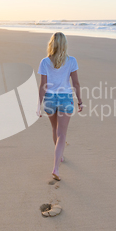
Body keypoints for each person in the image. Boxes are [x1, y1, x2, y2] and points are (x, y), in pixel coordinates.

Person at [36, 32, 83, 181]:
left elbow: (43, 85)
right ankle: (56, 166)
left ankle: (59, 155)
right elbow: (76, 83)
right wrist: (80, 101)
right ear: (65, 45)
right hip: (65, 98)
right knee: (62, 134)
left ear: (52, 44)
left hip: (49, 99)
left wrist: (38, 104)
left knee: (55, 129)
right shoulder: (71, 61)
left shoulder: (45, 61)